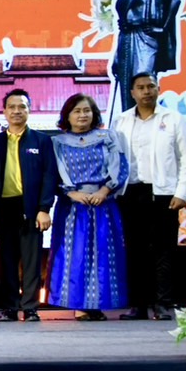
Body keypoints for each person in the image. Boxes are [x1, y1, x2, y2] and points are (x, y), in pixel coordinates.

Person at [112, 72, 186, 321]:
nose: (146, 91)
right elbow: (115, 158)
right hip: (130, 192)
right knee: (135, 251)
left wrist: (182, 192)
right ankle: (138, 305)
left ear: (158, 89)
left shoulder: (173, 119)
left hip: (163, 193)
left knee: (163, 250)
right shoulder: (121, 120)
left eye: (151, 86)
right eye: (141, 87)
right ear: (132, 93)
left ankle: (163, 304)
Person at [48, 93, 129, 319]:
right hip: (73, 207)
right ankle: (79, 305)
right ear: (67, 116)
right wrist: (71, 193)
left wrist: (104, 191)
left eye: (87, 110)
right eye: (77, 111)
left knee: (103, 254)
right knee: (75, 255)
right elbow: (51, 173)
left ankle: (98, 304)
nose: (82, 115)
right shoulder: (57, 142)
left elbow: (121, 166)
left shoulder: (107, 137)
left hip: (103, 204)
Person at [0, 88, 58, 322]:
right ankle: (10, 307)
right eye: (12, 107)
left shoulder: (42, 141)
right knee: (6, 259)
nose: (17, 111)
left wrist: (44, 208)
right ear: (4, 111)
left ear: (29, 110)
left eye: (22, 107)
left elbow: (50, 176)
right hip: (2, 207)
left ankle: (30, 307)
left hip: (31, 207)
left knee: (31, 260)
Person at [112, 0, 181, 114]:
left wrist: (163, 28)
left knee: (143, 82)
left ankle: (148, 121)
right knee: (127, 86)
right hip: (126, 39)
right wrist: (116, 56)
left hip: (146, 37)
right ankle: (130, 124)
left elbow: (174, 1)